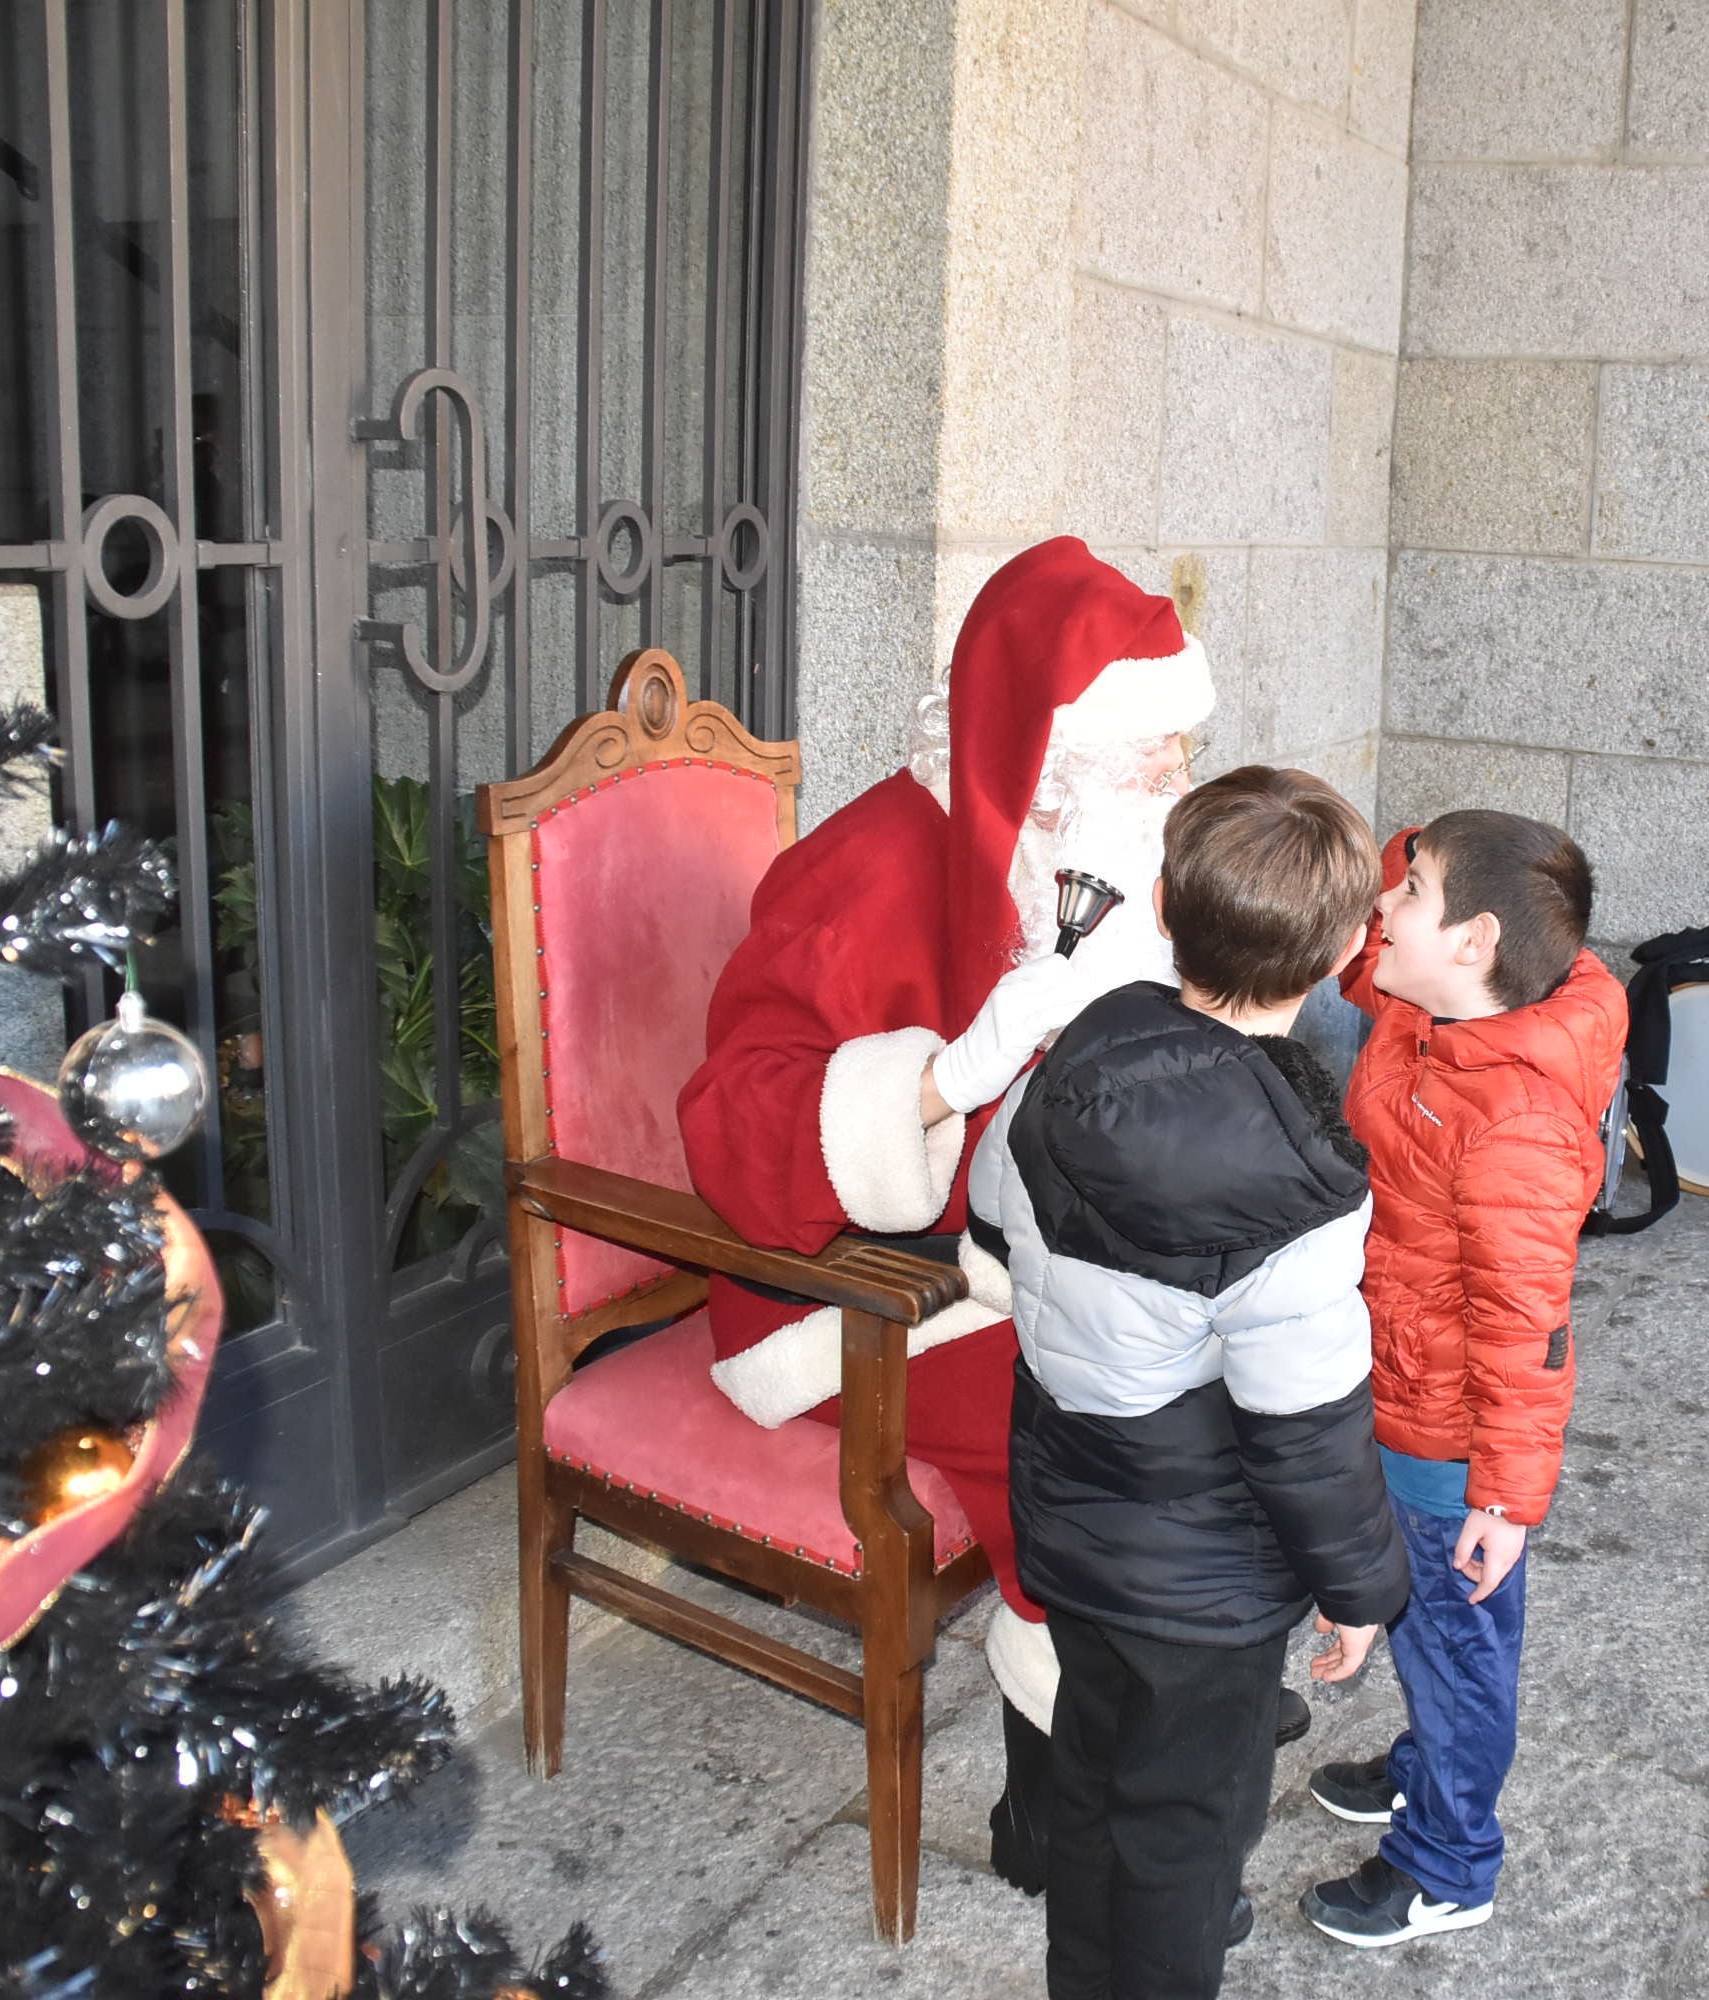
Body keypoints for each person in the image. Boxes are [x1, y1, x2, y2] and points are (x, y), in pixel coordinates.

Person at [675, 536, 1227, 1869]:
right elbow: (733, 1135)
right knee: (1110, 1439)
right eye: (1147, 760)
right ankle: (1070, 1809)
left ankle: (1165, 1682)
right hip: (865, 1285)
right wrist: (944, 1077)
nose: (1175, 785)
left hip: (1039, 1252)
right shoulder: (864, 872)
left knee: (1246, 1374)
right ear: (1038, 752)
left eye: (1180, 756)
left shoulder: (1098, 861)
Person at [967, 766, 1410, 2000]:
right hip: (1202, 1579)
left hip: (1076, 1516)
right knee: (1185, 1839)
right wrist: (1361, 1584)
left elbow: (998, 1217)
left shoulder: (1078, 1047)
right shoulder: (1299, 1181)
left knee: (1096, 1790)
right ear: (1339, 953)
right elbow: (1306, 1425)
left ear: (1160, 902)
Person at [1300, 811, 1626, 1948]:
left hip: (1450, 1436)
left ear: (1477, 939)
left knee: (1456, 1646)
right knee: (1430, 1631)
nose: (1386, 908)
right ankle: (1420, 1766)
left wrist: (1502, 1497)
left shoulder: (1515, 1120)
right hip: (1399, 1374)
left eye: (1412, 891)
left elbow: (1524, 1326)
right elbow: (1368, 931)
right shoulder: (1432, 1001)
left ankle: (1448, 1859)